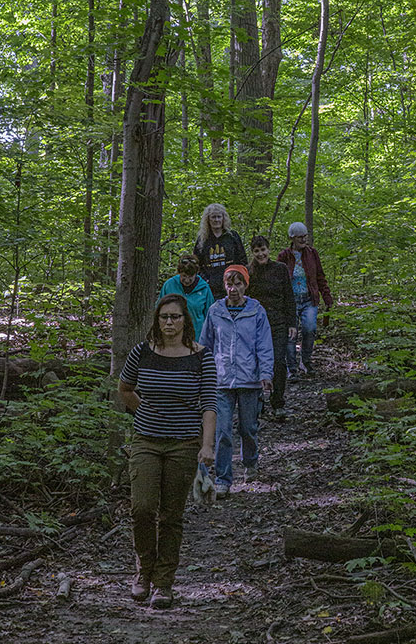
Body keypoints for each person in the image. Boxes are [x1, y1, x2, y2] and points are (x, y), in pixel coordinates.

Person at [118, 293, 217, 610]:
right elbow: (125, 388)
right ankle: (143, 572)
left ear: (185, 320)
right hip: (146, 440)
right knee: (142, 509)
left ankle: (163, 584)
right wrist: (143, 412)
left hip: (184, 444)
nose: (170, 322)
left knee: (171, 516)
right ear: (156, 320)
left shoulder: (201, 356)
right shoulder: (141, 352)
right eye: (164, 317)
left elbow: (209, 404)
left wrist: (207, 445)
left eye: (175, 317)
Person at [198, 264, 274, 498]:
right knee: (222, 432)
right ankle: (223, 479)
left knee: (248, 428)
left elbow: (264, 345)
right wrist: (202, 374)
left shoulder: (257, 311)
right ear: (224, 286)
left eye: (238, 283)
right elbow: (205, 345)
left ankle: (250, 463)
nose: (233, 289)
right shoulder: (215, 311)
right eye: (230, 284)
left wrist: (266, 374)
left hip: (249, 380)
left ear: (246, 285)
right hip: (221, 381)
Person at [247, 234, 296, 422]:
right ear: (253, 252)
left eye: (263, 250)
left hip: (278, 323)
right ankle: (258, 401)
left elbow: (288, 297)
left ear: (269, 249)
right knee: (255, 362)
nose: (261, 254)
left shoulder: (280, 269)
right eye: (257, 251)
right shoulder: (249, 271)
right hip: (255, 325)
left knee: (278, 362)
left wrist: (292, 323)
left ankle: (278, 402)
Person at [278, 222, 333, 378]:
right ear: (292, 238)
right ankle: (292, 368)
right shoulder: (284, 256)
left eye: (305, 236)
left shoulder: (312, 253)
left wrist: (326, 296)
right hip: (291, 301)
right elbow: (279, 279)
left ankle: (306, 361)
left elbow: (320, 276)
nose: (303, 239)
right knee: (291, 334)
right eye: (300, 237)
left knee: (310, 329)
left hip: (309, 299)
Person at [193, 203, 246, 299]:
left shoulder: (232, 236)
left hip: (231, 286)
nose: (216, 220)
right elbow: (196, 263)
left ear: (223, 218)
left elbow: (242, 259)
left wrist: (237, 279)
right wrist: (206, 280)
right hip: (210, 288)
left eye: (219, 217)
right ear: (208, 220)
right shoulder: (203, 239)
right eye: (213, 217)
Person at [158, 252, 214, 336]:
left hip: (197, 335)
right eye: (184, 276)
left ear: (196, 273)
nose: (187, 280)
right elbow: (159, 309)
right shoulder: (169, 285)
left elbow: (210, 315)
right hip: (172, 335)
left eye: (190, 277)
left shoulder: (204, 288)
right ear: (179, 273)